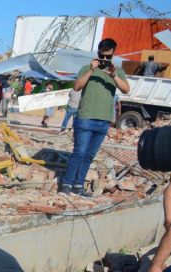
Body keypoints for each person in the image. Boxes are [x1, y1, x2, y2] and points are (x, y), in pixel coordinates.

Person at [60, 38, 130, 196]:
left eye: (108, 57)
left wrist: (114, 76)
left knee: (89, 155)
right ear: (97, 54)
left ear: (113, 55)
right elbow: (77, 87)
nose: (104, 60)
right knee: (79, 152)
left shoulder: (117, 71)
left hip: (103, 121)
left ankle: (78, 186)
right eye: (101, 56)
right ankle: (66, 185)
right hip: (86, 118)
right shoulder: (87, 68)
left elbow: (126, 89)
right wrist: (91, 70)